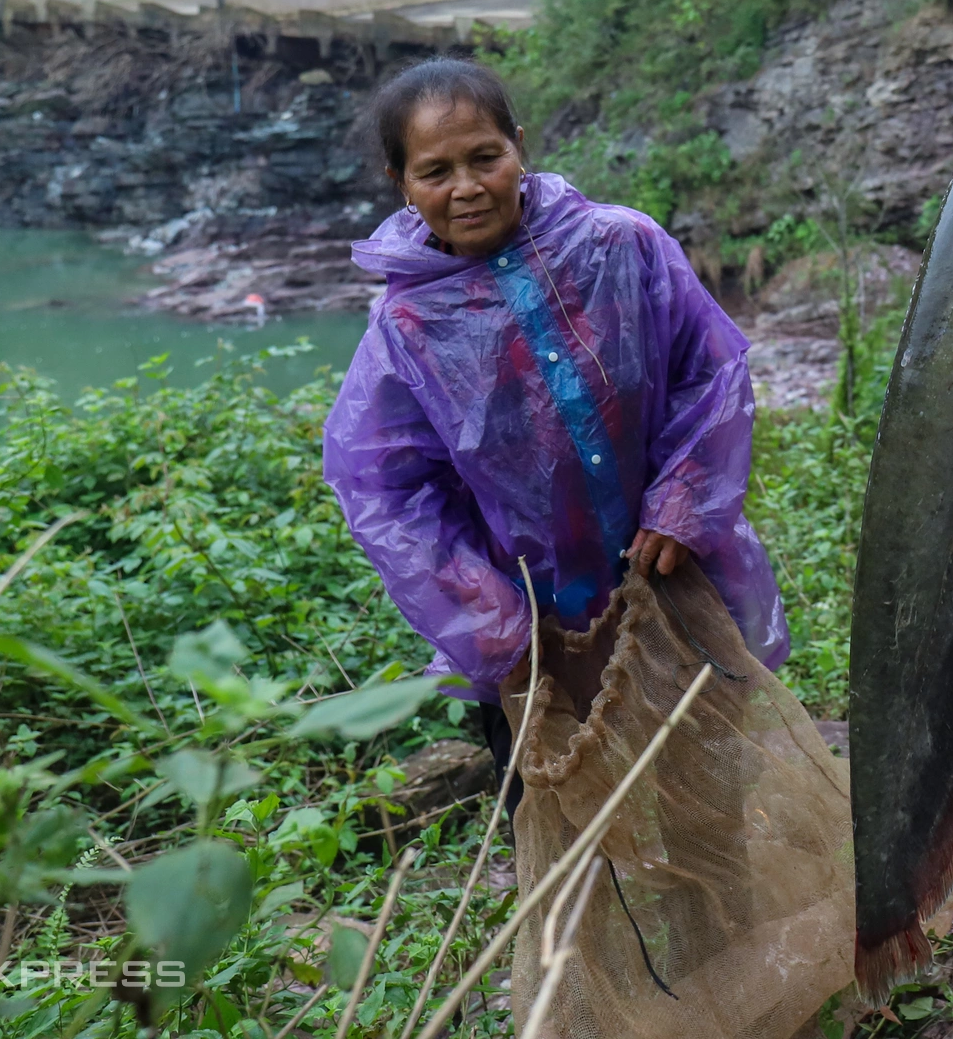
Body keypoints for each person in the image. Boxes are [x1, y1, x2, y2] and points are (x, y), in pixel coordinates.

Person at [323, 58, 788, 767]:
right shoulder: (406, 325)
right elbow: (385, 487)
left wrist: (684, 502)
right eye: (435, 172)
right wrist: (487, 616)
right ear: (402, 185)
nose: (467, 188)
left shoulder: (620, 246)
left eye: (485, 158)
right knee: (561, 808)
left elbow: (710, 371)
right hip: (534, 626)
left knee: (710, 790)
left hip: (675, 578)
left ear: (519, 144)